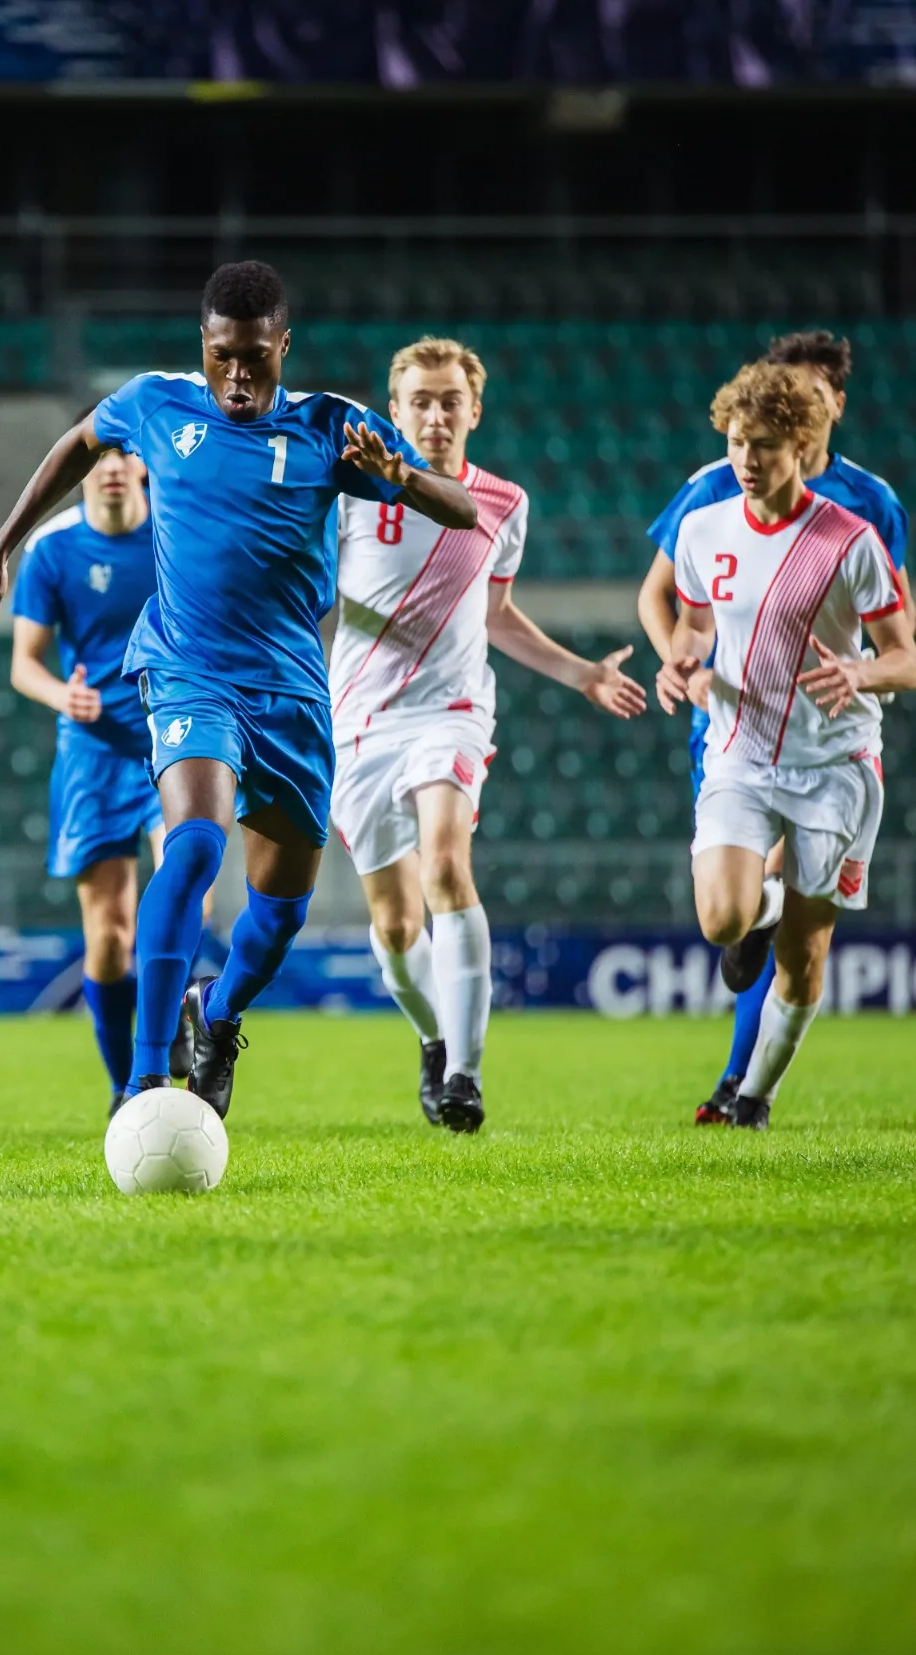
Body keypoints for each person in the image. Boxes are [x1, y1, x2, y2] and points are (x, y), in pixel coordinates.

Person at [0, 260, 476, 1118]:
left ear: (283, 346)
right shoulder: (156, 404)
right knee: (194, 846)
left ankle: (220, 1012)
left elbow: (462, 510)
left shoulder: (331, 426)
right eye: (220, 356)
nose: (236, 375)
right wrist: (3, 545)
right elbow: (80, 442)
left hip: (290, 692)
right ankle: (144, 1083)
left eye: (254, 357)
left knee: (277, 916)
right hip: (187, 671)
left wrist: (403, 479)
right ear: (201, 344)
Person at [330, 337, 646, 1132]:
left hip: (451, 711)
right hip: (358, 721)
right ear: (393, 410)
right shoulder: (349, 493)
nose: (434, 415)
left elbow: (494, 613)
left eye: (449, 401)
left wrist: (581, 673)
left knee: (445, 863)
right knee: (394, 928)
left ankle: (464, 1077)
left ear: (474, 410)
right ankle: (434, 1038)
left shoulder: (503, 501)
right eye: (419, 401)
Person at [638, 329, 910, 1123]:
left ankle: (750, 1095)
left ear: (800, 444)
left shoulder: (852, 536)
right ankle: (762, 914)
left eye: (761, 446)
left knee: (805, 954)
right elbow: (692, 623)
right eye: (735, 443)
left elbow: (905, 655)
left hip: (833, 764)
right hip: (740, 751)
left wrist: (859, 672)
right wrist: (680, 664)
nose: (745, 460)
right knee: (721, 918)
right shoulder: (704, 524)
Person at [10, 444, 194, 1111]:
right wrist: (63, 695)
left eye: (124, 454)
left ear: (143, 464)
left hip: (174, 737)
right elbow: (24, 664)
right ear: (80, 471)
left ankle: (170, 1018)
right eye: (98, 457)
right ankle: (124, 1089)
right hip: (93, 753)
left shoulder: (180, 529)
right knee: (110, 937)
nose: (111, 467)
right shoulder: (52, 550)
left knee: (187, 884)